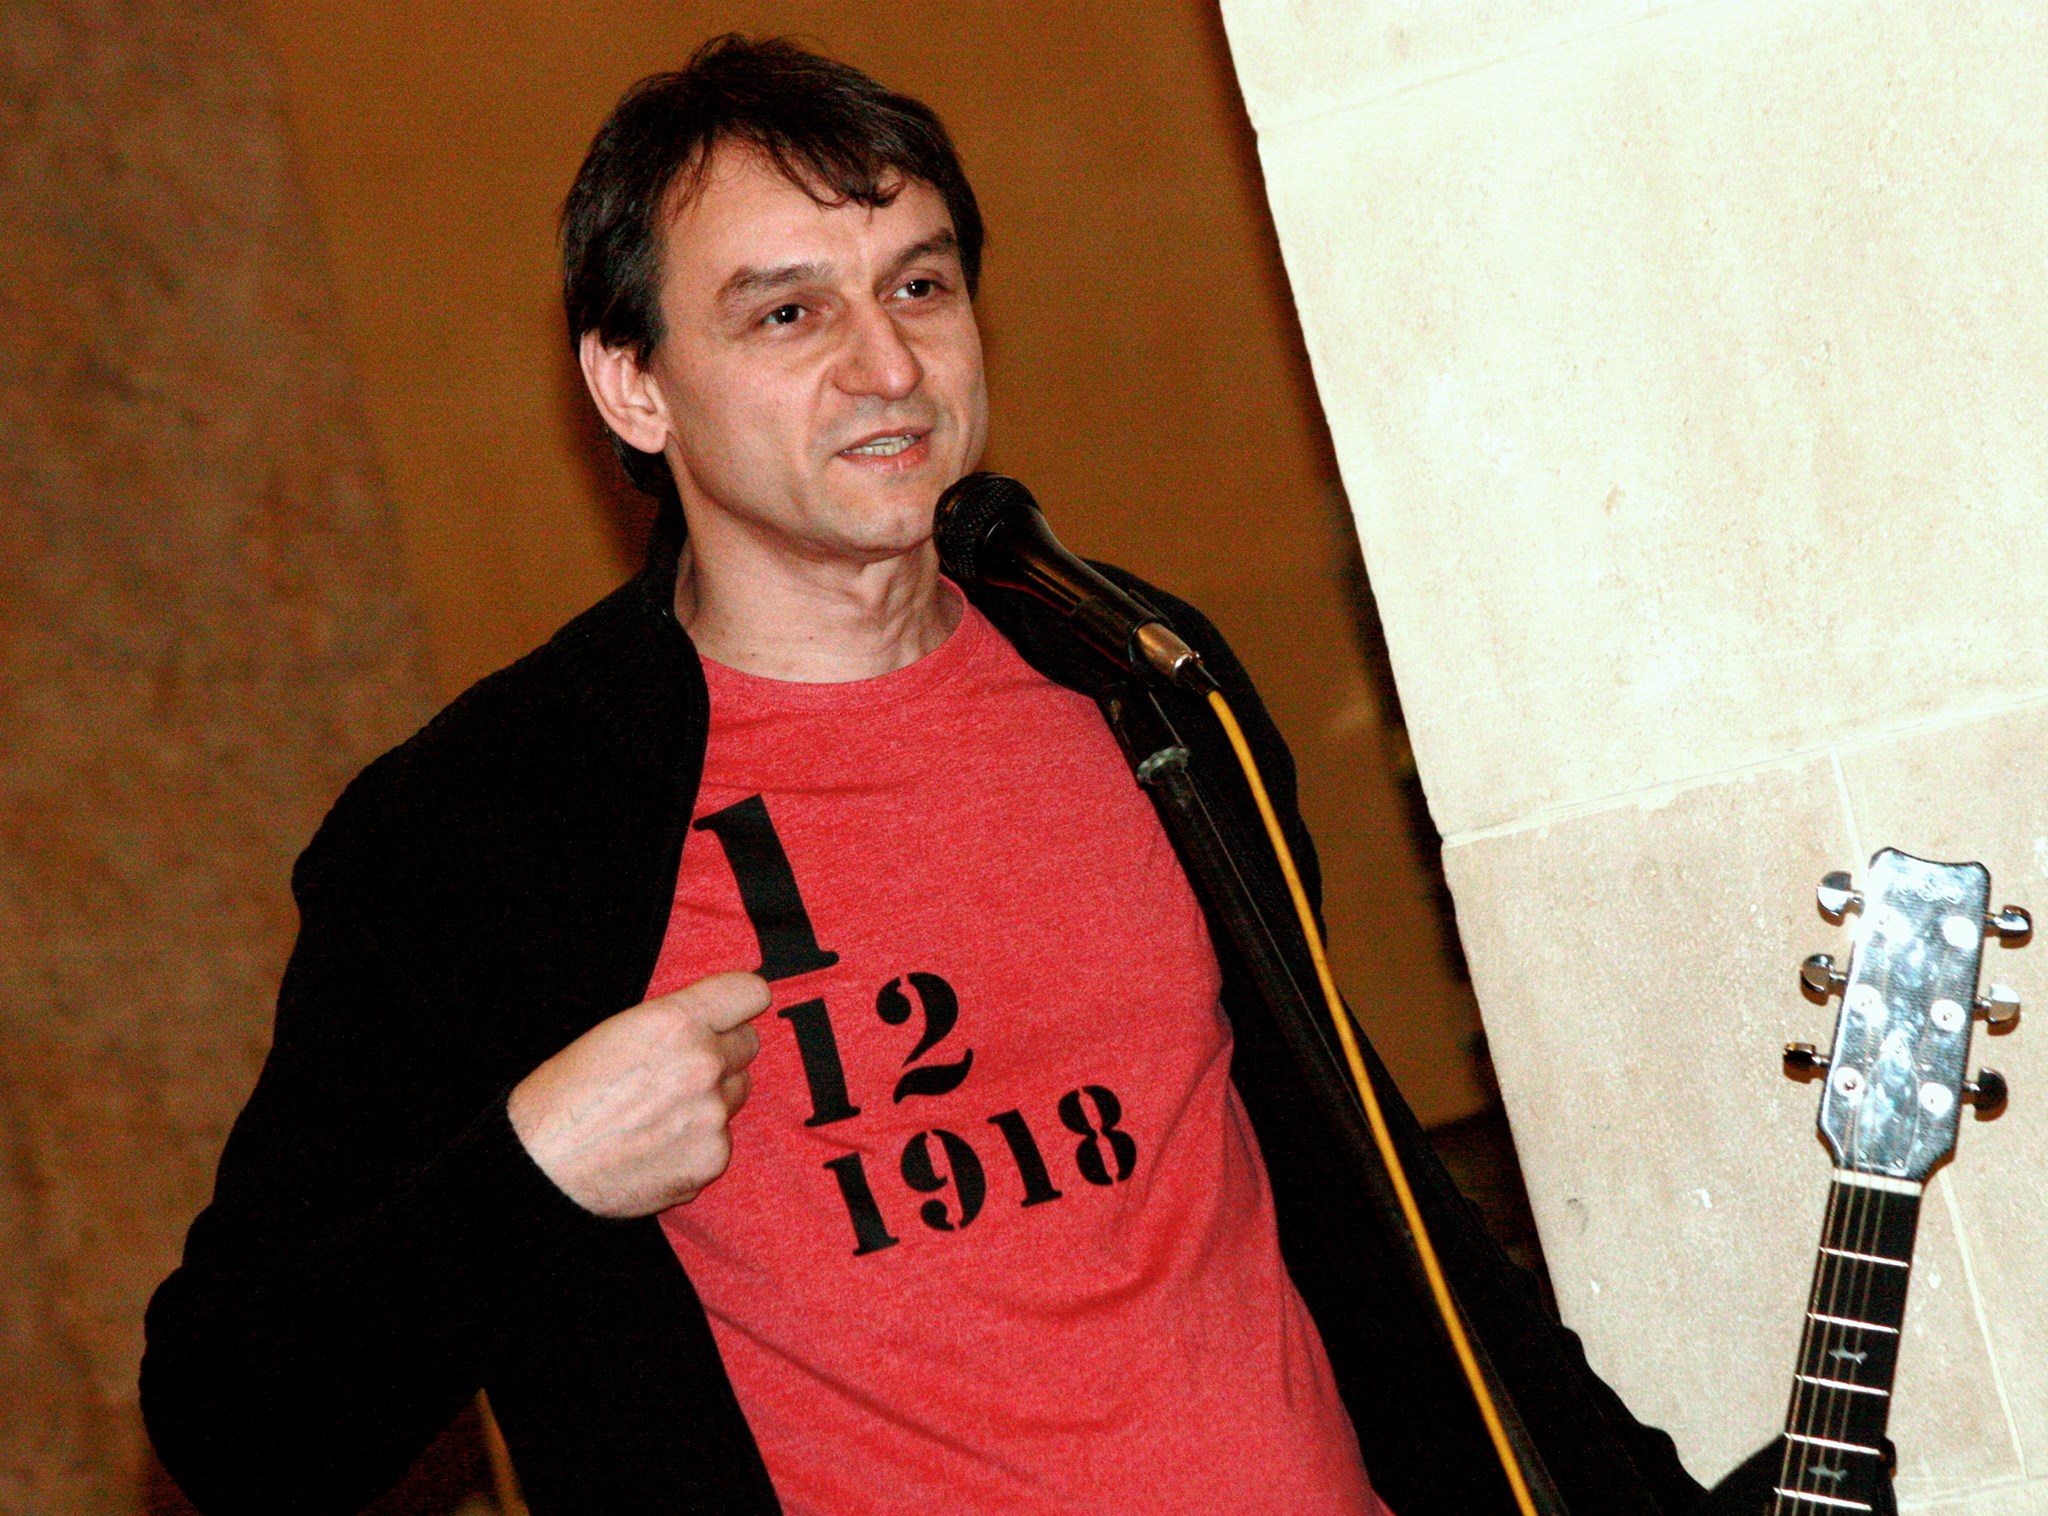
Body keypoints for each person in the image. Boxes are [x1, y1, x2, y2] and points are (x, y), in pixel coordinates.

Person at [142, 36, 1702, 1516]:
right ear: (633, 387)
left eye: (920, 285)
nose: (887, 363)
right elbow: (237, 1425)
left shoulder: (1131, 668)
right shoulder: (489, 830)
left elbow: (1377, 1205)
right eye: (787, 314)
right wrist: (535, 1169)